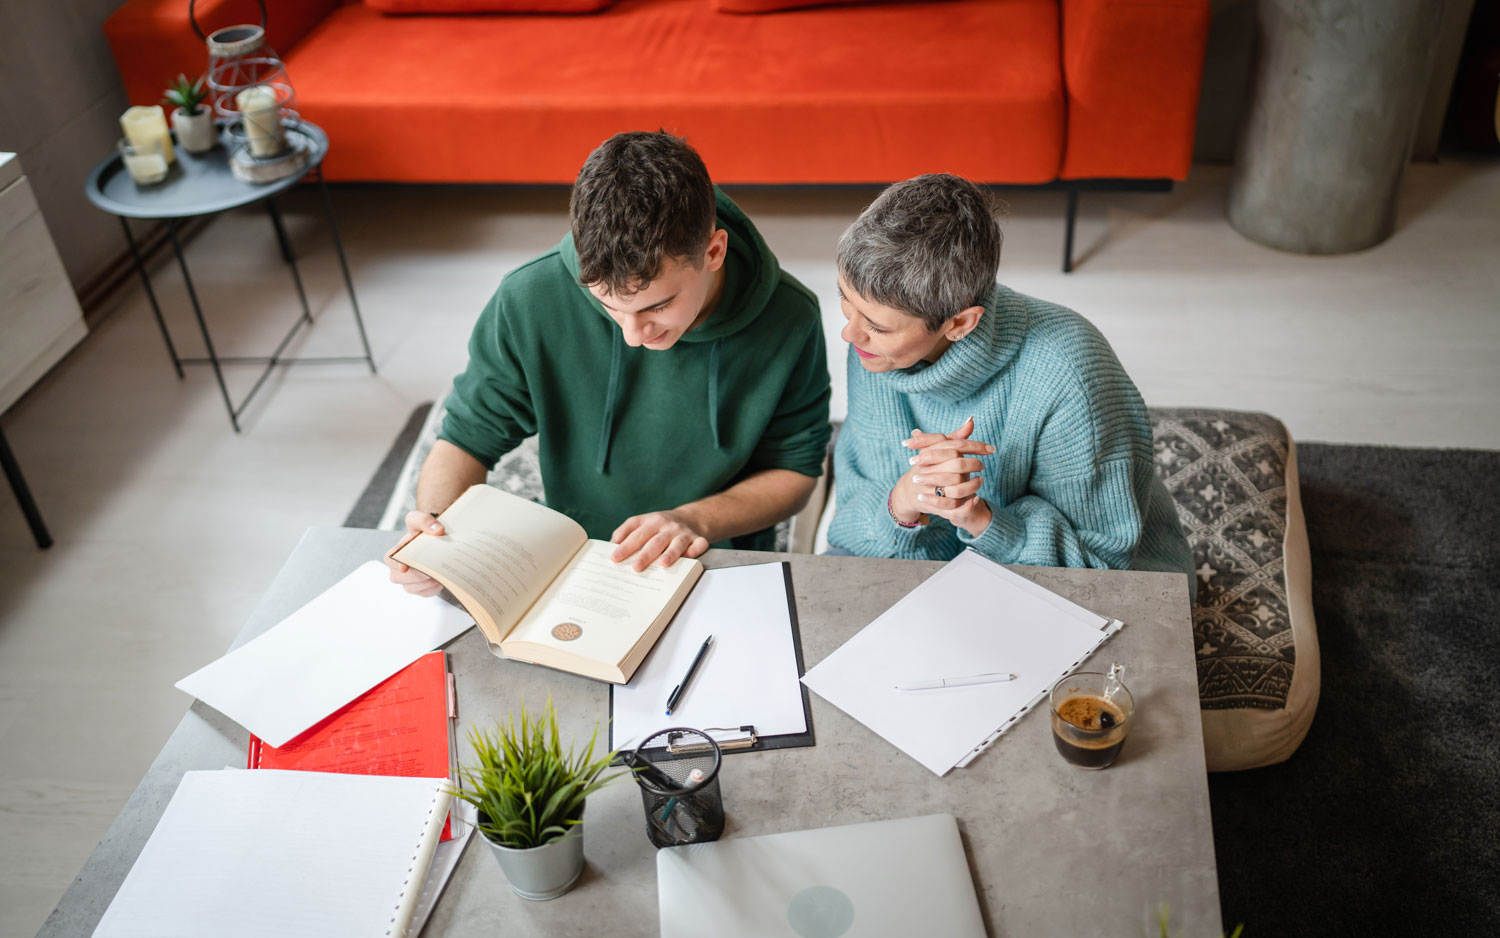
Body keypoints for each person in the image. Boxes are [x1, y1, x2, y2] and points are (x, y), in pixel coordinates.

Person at [388, 131, 831, 595]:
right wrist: (434, 532)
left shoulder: (790, 317)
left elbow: (796, 471)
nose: (633, 335)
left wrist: (692, 519)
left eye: (656, 306)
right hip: (578, 554)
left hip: (717, 550)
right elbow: (466, 437)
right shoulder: (529, 297)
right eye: (608, 306)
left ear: (713, 252)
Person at [826, 174, 1194, 594]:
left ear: (960, 324)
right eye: (844, 299)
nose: (849, 334)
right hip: (927, 575)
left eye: (877, 325)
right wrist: (904, 504)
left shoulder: (1072, 373)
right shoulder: (874, 349)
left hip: (1075, 585)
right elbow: (853, 525)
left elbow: (1102, 570)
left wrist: (979, 517)